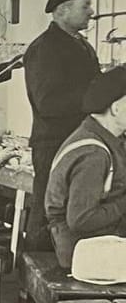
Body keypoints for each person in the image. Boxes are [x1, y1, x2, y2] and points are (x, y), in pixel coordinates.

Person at [25, 0, 100, 247]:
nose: (92, 11)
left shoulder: (81, 45)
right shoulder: (44, 48)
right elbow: (47, 102)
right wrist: (94, 98)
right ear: (63, 11)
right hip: (53, 143)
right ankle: (31, 278)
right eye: (85, 6)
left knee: (73, 212)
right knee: (48, 213)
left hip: (78, 140)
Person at [45, 69, 126, 267]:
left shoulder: (105, 137)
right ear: (116, 108)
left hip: (100, 243)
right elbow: (81, 220)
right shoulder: (94, 154)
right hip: (86, 254)